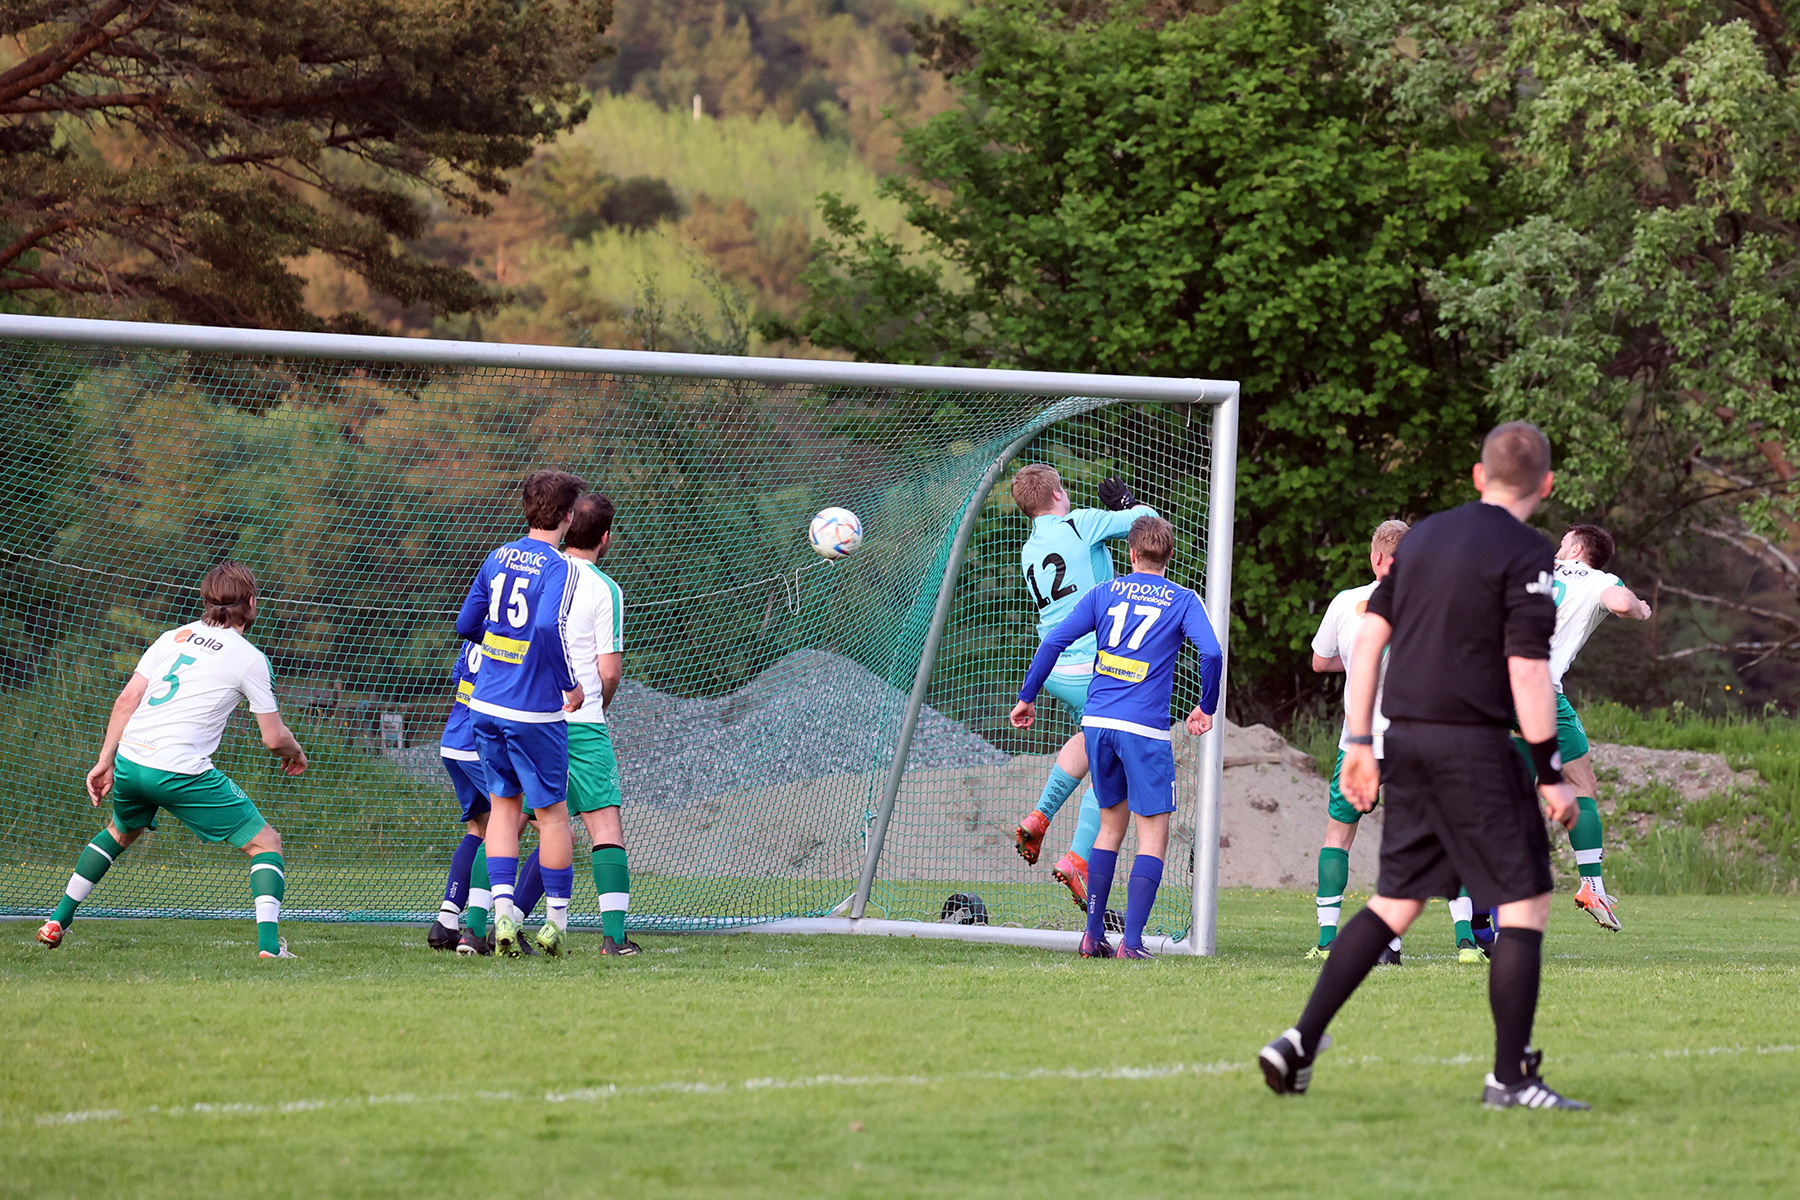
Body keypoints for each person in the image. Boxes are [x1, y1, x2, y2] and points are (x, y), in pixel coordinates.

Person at [1260, 421, 1588, 1110]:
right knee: (1526, 900)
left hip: (1404, 740)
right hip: (1473, 746)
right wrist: (1550, 773)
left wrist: (1356, 740)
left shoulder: (1429, 535)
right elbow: (1528, 671)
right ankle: (1510, 1077)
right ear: (1546, 486)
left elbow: (1370, 634)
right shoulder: (1530, 554)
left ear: (1478, 476)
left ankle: (1299, 1041)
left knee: (1395, 901)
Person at [36, 561, 308, 958]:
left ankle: (57, 920)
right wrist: (296, 751)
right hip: (179, 770)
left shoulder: (173, 637)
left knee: (119, 832)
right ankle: (270, 948)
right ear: (252, 603)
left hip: (132, 759)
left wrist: (104, 761)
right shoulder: (249, 658)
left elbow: (127, 699)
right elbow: (273, 738)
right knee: (266, 843)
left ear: (207, 602)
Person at [1013, 515, 1222, 958]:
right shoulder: (1184, 600)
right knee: (1153, 836)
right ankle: (1131, 942)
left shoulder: (1104, 592)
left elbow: (1052, 642)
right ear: (1169, 555)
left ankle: (1092, 936)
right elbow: (1212, 651)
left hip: (1098, 725)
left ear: (1130, 554)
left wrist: (1027, 696)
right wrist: (1207, 705)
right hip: (1144, 730)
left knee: (1110, 827)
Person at [1309, 520, 1467, 964]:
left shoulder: (1345, 602)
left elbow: (1321, 661)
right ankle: (1461, 941)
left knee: (1339, 836)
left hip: (1359, 741)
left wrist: (1361, 664)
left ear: (1376, 557)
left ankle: (1326, 940)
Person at [1006, 463, 1160, 912]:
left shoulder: (1028, 547)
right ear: (1057, 495)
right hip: (1097, 663)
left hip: (1055, 666)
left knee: (1091, 739)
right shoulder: (1079, 522)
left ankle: (1039, 816)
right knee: (1122, 770)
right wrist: (1127, 505)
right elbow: (1151, 530)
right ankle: (1077, 859)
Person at [455, 469, 587, 958]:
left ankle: (504, 916)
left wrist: (503, 652)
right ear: (568, 518)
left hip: (484, 704)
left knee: (504, 809)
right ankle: (555, 926)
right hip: (532, 710)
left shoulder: (496, 556)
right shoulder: (559, 566)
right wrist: (568, 685)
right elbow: (550, 629)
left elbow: (466, 623)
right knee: (552, 817)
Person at [1539, 523, 1651, 931]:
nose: (1557, 547)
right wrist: (1641, 607)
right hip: (1537, 693)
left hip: (1488, 688)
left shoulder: (1535, 570)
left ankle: (1473, 917)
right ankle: (1591, 885)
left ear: (1577, 548)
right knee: (1582, 783)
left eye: (1563, 542)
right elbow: (1621, 603)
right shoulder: (1599, 580)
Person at [561, 493, 640, 956]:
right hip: (583, 722)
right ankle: (613, 938)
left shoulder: (542, 574)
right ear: (605, 538)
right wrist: (600, 706)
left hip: (529, 720)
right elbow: (608, 671)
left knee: (507, 824)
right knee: (605, 826)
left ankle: (474, 928)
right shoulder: (604, 588)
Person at [430, 640, 490, 952]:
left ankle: (447, 921)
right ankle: (494, 925)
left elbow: (459, 678)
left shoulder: (472, 637)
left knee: (479, 829)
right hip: (479, 744)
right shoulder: (511, 629)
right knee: (523, 825)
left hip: (453, 740)